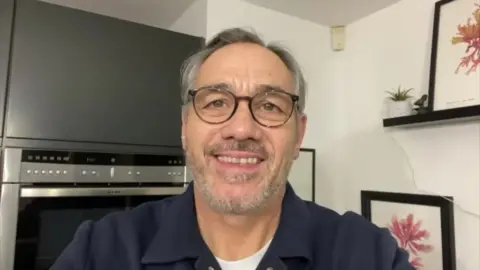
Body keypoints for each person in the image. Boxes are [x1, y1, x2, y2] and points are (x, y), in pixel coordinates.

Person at [50, 27, 414, 270]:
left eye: (270, 105)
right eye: (215, 103)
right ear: (184, 129)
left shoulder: (369, 254)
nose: (241, 128)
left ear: (299, 136)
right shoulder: (100, 250)